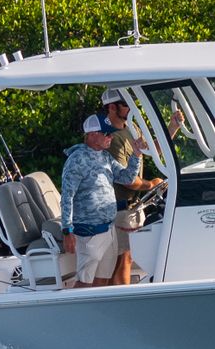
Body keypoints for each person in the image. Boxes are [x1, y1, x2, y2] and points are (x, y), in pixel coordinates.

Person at [59, 106, 158, 287]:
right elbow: (67, 196)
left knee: (103, 280)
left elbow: (127, 177)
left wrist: (136, 154)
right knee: (84, 281)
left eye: (111, 134)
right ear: (92, 135)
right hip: (89, 232)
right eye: (106, 134)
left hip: (109, 229)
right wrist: (67, 231)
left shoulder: (104, 156)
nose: (110, 137)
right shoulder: (76, 160)